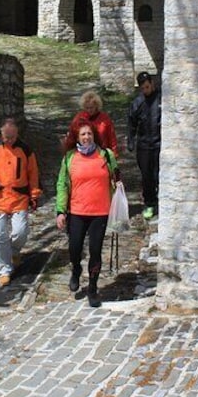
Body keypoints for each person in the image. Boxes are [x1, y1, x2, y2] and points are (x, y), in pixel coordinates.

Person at [56, 122, 119, 308]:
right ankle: (76, 268)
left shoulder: (106, 155)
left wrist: (118, 202)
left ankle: (92, 288)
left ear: (94, 136)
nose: (86, 137)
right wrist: (61, 211)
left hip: (100, 212)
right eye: (83, 134)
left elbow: (117, 180)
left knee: (95, 251)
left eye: (89, 134)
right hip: (77, 212)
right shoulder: (69, 157)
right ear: (77, 137)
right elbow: (62, 185)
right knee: (74, 248)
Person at [0, 118, 42, 286]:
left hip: (19, 199)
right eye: (6, 137)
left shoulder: (26, 151)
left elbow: (33, 175)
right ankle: (4, 269)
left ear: (17, 134)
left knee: (21, 232)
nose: (9, 140)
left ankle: (13, 252)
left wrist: (34, 195)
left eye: (12, 137)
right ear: (1, 133)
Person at [127, 71, 161, 220]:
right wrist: (131, 140)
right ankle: (149, 202)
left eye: (148, 86)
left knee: (157, 174)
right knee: (147, 176)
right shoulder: (138, 103)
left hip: (159, 142)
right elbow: (131, 123)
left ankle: (161, 200)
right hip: (144, 144)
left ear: (152, 83)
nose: (146, 90)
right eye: (143, 88)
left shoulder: (161, 99)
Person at [66, 90, 119, 157]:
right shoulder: (79, 118)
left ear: (96, 106)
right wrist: (68, 151)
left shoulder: (105, 119)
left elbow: (112, 137)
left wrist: (114, 153)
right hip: (82, 153)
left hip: (102, 153)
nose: (89, 110)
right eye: (87, 108)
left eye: (91, 108)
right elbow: (72, 136)